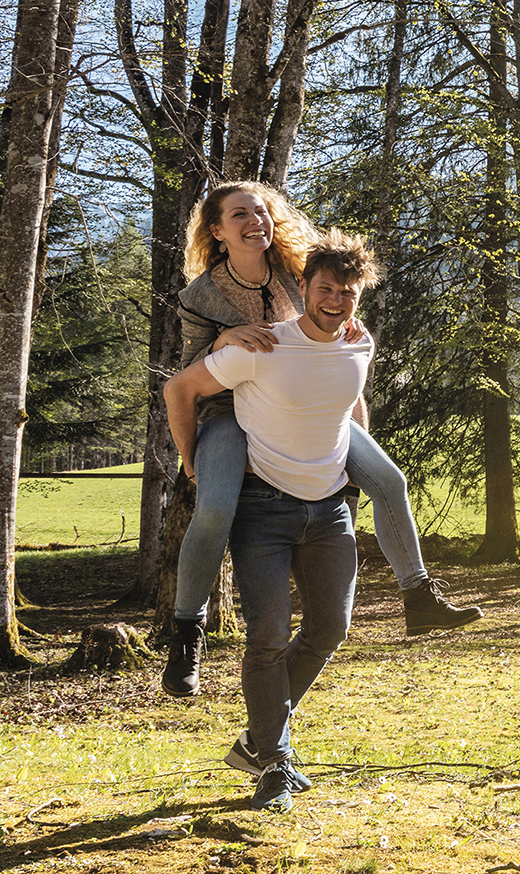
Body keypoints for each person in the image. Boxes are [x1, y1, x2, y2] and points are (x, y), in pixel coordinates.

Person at [163, 181, 481, 704]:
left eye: (261, 211)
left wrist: (341, 325)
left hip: (307, 411)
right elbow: (189, 376)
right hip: (228, 414)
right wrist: (193, 455)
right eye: (239, 214)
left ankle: (419, 594)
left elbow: (330, 309)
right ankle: (186, 632)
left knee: (388, 478)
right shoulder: (200, 296)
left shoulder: (297, 270)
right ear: (217, 230)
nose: (253, 221)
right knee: (216, 508)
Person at [164, 230, 380, 811]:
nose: (335, 300)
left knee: (330, 629)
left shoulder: (356, 342)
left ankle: (257, 740)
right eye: (326, 288)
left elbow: (346, 398)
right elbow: (181, 386)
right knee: (265, 636)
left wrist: (358, 453)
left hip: (330, 507)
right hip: (258, 495)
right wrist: (190, 457)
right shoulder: (252, 338)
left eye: (347, 292)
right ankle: (274, 760)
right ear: (304, 287)